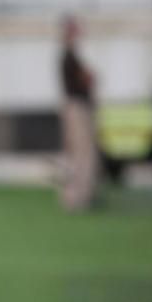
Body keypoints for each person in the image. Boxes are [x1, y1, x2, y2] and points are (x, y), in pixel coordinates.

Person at [59, 16, 100, 211]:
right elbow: (84, 80)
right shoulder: (68, 56)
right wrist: (89, 77)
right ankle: (76, 196)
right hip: (76, 108)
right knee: (81, 152)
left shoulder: (72, 55)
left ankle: (82, 194)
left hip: (78, 107)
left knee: (83, 152)